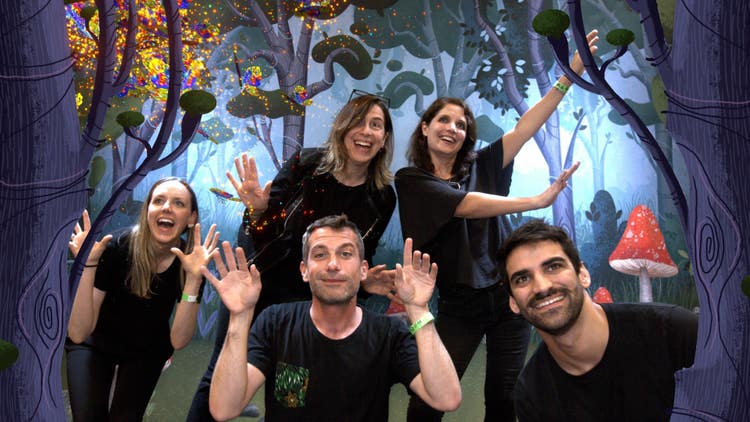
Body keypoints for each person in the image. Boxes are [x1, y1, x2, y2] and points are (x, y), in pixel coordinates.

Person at [395, 30, 599, 421]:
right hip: (460, 303)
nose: (452, 128)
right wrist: (536, 200)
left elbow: (525, 127)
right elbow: (465, 206)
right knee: (430, 400)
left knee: (506, 398)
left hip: (508, 298)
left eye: (461, 123)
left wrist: (568, 76)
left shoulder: (482, 166)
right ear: (425, 128)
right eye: (443, 120)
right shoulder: (412, 180)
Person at [187, 93, 399, 420]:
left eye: (376, 125)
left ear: (384, 139)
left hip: (307, 305)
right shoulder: (307, 165)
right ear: (343, 127)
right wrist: (259, 210)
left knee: (289, 387)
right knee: (222, 367)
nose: (366, 131)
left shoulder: (382, 198)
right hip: (258, 288)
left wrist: (365, 280)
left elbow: (360, 254)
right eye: (359, 121)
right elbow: (264, 232)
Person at [204, 215, 461, 421]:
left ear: (363, 270)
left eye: (346, 254)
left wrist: (418, 309)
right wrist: (239, 317)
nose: (333, 264)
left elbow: (446, 399)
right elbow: (224, 408)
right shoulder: (276, 322)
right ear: (304, 270)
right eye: (320, 254)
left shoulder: (388, 334)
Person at [497, 219, 698, 421]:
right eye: (522, 279)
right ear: (513, 302)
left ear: (583, 274)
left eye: (553, 267)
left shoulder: (674, 332)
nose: (541, 287)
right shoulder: (532, 393)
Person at [65, 177, 220, 421]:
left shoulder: (191, 263)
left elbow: (179, 340)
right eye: (158, 200)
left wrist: (193, 280)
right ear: (147, 210)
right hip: (96, 343)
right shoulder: (116, 247)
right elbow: (78, 333)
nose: (167, 207)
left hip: (145, 349)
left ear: (191, 218)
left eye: (178, 203)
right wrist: (88, 264)